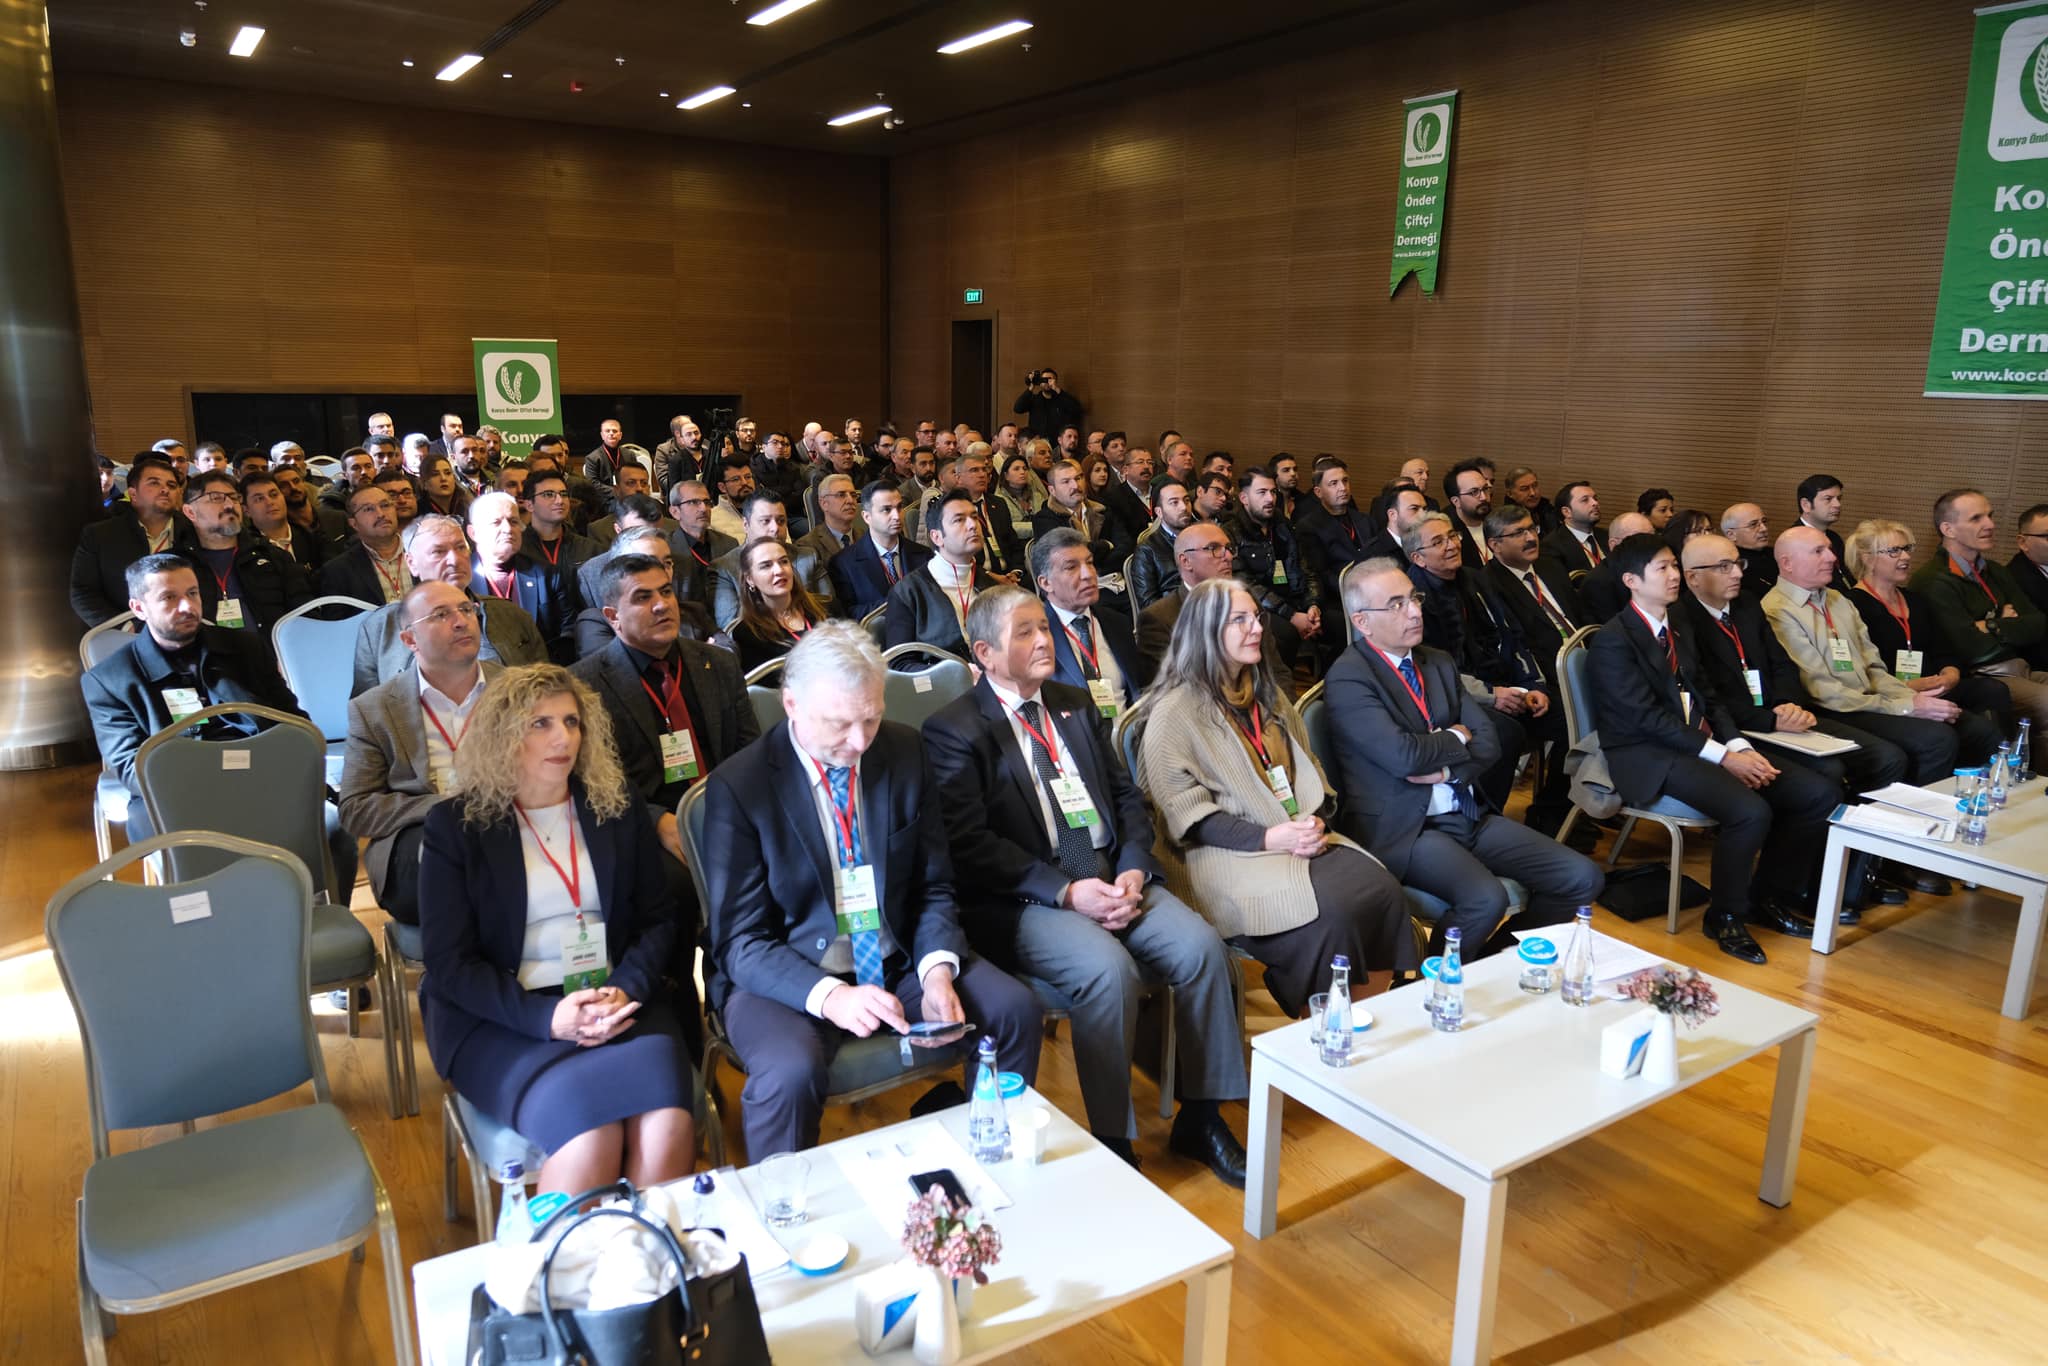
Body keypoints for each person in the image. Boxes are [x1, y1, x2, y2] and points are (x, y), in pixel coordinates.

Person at [922, 588, 1249, 1180]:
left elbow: (1126, 797)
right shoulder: (953, 730)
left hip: (1111, 874)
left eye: (1044, 628)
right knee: (1108, 971)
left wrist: (1130, 864)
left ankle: (1201, 1117)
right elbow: (968, 846)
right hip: (1026, 897)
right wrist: (1067, 893)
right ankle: (1112, 1140)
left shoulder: (1073, 703)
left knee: (1204, 950)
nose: (1045, 640)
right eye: (1025, 632)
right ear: (984, 653)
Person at [699, 623, 1043, 1158]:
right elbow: (741, 942)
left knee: (1013, 1009)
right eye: (839, 724)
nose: (860, 742)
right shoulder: (739, 788)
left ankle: (986, 1158)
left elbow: (933, 884)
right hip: (788, 972)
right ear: (791, 704)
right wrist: (830, 996)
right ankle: (787, 1214)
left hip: (897, 954)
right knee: (789, 1073)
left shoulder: (903, 751)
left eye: (872, 717)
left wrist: (935, 969)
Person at [418, 664, 695, 1194]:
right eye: (540, 723)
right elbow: (450, 966)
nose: (562, 738)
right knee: (591, 1138)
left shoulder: (613, 806)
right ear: (503, 734)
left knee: (667, 1128)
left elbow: (658, 918)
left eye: (571, 722)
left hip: (615, 1001)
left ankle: (644, 1267)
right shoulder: (457, 826)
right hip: (504, 1018)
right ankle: (558, 1272)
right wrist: (549, 1019)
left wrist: (626, 988)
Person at [1138, 575, 1418, 1011]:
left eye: (1257, 617)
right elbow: (1183, 814)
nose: (1256, 628)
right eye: (1240, 620)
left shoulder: (1264, 695)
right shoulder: (1174, 711)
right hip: (1218, 853)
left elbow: (1311, 771)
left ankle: (1361, 1022)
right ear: (1206, 631)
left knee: (1380, 890)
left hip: (1293, 833)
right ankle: (1322, 1031)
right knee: (1333, 914)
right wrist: (1272, 838)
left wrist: (1316, 818)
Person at [1323, 559, 1603, 955]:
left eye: (1414, 598)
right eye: (1396, 604)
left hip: (1465, 808)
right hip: (1407, 827)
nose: (1416, 611)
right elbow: (1403, 757)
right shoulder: (1350, 676)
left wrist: (1445, 773)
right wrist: (1456, 735)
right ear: (1362, 622)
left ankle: (1492, 963)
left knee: (1581, 878)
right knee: (1485, 900)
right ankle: (1429, 989)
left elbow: (1488, 740)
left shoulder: (1436, 661)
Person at [1591, 535, 1837, 964]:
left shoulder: (1678, 626)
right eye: (1661, 569)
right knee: (1750, 811)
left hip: (1698, 742)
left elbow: (1708, 697)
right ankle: (1725, 915)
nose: (1673, 576)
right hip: (1646, 755)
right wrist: (1724, 756)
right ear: (1631, 580)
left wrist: (1738, 743)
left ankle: (1767, 896)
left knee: (1817, 794)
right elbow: (1646, 720)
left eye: (1673, 566)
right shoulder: (1615, 640)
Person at [1677, 533, 1917, 918]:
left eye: (1737, 563)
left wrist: (1788, 703)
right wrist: (1771, 718)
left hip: (1777, 717)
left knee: (1883, 759)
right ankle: (1782, 891)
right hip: (1738, 729)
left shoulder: (1746, 607)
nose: (1736, 573)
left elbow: (1782, 665)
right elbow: (1710, 699)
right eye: (1723, 567)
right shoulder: (1683, 621)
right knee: (1824, 779)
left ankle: (1842, 878)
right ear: (1692, 578)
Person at [1763, 523, 2005, 777]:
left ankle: (1977, 801)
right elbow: (1824, 692)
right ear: (1788, 563)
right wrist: (1904, 706)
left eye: (1830, 550)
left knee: (1979, 731)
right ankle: (1921, 812)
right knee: (1937, 738)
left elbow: (1874, 668)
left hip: (1869, 699)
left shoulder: (1838, 600)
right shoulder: (1777, 610)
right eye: (1818, 551)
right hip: (1836, 709)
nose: (1833, 557)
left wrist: (1914, 700)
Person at [338, 580, 502, 924]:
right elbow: (355, 809)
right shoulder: (375, 709)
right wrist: (443, 807)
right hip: (422, 839)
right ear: (410, 640)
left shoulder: (518, 690)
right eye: (441, 615)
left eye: (466, 610)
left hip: (508, 825)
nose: (461, 621)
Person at [1405, 511, 1561, 827]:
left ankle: (1551, 815)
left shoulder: (1475, 580)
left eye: (1452, 536)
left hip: (1500, 684)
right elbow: (1429, 669)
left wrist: (1534, 684)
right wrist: (1491, 695)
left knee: (1567, 717)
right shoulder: (1413, 597)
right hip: (1449, 698)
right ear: (1418, 559)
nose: (1451, 545)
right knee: (1504, 732)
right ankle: (1483, 820)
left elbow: (1511, 635)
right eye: (1438, 542)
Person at [1847, 517, 2015, 742]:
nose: (1906, 557)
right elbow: (1859, 669)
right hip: (1893, 693)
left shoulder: (1915, 600)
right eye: (1894, 551)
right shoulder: (1851, 605)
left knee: (1993, 690)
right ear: (1868, 559)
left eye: (1907, 549)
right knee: (1972, 732)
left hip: (1935, 685)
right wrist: (1907, 687)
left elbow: (1943, 647)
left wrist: (1950, 674)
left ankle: (2007, 762)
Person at [352, 515, 549, 695]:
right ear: (411, 563)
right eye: (438, 551)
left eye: (460, 548)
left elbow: (545, 692)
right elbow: (367, 713)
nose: (454, 560)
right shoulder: (380, 629)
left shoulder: (512, 616)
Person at [1908, 488, 2048, 739]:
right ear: (1948, 529)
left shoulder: (1995, 570)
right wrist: (2004, 621)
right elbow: (1971, 648)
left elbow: (2038, 625)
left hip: (2022, 668)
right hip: (1985, 675)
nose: (1990, 524)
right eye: (1976, 519)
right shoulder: (1933, 579)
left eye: (1990, 516)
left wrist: (1990, 625)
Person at [178, 468, 311, 634]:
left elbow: (307, 616)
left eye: (234, 498)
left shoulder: (273, 556)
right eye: (216, 498)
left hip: (270, 655)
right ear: (190, 512)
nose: (229, 505)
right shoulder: (175, 565)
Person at [71, 453, 193, 626]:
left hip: (185, 628)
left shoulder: (192, 533)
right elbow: (83, 592)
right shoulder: (100, 535)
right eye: (154, 483)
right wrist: (124, 628)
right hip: (125, 633)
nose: (165, 489)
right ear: (133, 495)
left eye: (171, 485)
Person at [1034, 528, 1145, 712]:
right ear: (1046, 583)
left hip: (1131, 734)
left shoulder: (1117, 623)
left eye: (1090, 563)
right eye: (1071, 567)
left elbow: (1139, 690)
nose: (1088, 574)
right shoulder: (1036, 636)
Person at [1138, 520, 1259, 685]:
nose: (1229, 556)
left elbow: (1275, 671)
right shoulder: (1159, 619)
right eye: (1214, 548)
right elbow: (1168, 688)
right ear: (1186, 561)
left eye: (1229, 548)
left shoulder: (1246, 603)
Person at [885, 489, 993, 659]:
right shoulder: (908, 592)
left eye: (974, 516)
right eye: (959, 520)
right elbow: (899, 665)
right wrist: (951, 674)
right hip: (943, 682)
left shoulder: (991, 586)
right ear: (937, 537)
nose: (973, 525)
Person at [1231, 465, 1321, 669]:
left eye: (1272, 492)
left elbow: (1305, 568)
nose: (1270, 499)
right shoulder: (1232, 531)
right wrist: (1291, 615)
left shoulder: (1283, 525)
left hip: (1293, 599)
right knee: (1286, 634)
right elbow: (1245, 584)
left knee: (1335, 622)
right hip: (1260, 607)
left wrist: (1312, 605)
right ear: (1244, 498)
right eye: (1261, 493)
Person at [470, 490, 570, 661]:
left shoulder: (547, 575)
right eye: (496, 522)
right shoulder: (460, 582)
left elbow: (567, 632)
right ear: (474, 533)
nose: (508, 529)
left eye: (513, 521)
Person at [832, 480, 930, 622]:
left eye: (899, 507)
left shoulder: (924, 555)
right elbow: (848, 614)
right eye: (886, 510)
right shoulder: (844, 563)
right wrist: (897, 603)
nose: (897, 516)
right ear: (867, 517)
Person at [731, 537, 831, 670]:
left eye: (784, 561)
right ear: (750, 579)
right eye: (766, 566)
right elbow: (769, 686)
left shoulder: (826, 607)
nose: (779, 570)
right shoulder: (747, 634)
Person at [1294, 459, 1376, 611]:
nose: (1343, 488)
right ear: (1318, 492)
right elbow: (1321, 574)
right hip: (1338, 598)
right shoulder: (1309, 527)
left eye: (1345, 481)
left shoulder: (1365, 520)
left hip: (1374, 590)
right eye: (1334, 483)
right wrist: (1358, 593)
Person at [710, 491, 792, 630]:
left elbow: (826, 610)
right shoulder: (725, 568)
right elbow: (731, 627)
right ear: (746, 525)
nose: (775, 529)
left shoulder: (808, 556)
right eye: (765, 521)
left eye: (781, 521)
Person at [320, 484, 413, 606]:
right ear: (353, 524)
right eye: (369, 509)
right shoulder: (338, 571)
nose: (380, 514)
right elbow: (339, 622)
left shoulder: (424, 553)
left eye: (385, 505)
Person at [1032, 458, 1123, 571]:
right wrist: (1106, 545)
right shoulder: (1044, 519)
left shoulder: (1102, 509)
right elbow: (1069, 556)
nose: (1075, 486)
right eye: (1066, 481)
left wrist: (1099, 566)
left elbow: (1125, 546)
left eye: (1078, 478)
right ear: (1052, 490)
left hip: (1110, 575)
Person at [792, 472, 864, 613]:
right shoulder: (807, 546)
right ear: (824, 503)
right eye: (841, 495)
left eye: (853, 495)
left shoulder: (865, 535)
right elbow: (815, 601)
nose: (850, 500)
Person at [1131, 478, 1197, 611]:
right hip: (1176, 619)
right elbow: (1149, 605)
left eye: (1186, 500)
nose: (1184, 507)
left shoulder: (1201, 538)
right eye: (1174, 502)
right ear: (1159, 512)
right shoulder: (1147, 550)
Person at [1577, 511, 1654, 621]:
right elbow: (1613, 631)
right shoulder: (1598, 582)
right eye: (1638, 539)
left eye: (1652, 537)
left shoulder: (1653, 571)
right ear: (1614, 545)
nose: (1650, 546)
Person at [1795, 473, 1854, 594]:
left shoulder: (1834, 538)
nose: (1837, 505)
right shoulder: (1794, 541)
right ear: (1806, 505)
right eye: (1828, 499)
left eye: (1839, 499)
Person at [1543, 480, 1606, 576]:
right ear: (1567, 512)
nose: (1595, 503)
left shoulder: (1606, 535)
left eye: (1595, 498)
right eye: (1585, 500)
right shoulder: (1552, 546)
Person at [1443, 459, 1496, 567]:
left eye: (1485, 489)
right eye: (1474, 492)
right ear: (1456, 502)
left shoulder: (1497, 522)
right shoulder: (1446, 534)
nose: (1484, 497)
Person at [1722, 503, 1778, 600]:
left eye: (1764, 521)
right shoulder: (1731, 566)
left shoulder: (1777, 553)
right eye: (1753, 524)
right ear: (1731, 535)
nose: (1764, 529)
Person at [1013, 366, 1083, 439]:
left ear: (1055, 381)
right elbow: (1018, 408)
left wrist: (1057, 389)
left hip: (1058, 442)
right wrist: (1031, 387)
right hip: (1038, 442)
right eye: (1043, 380)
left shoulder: (1062, 398)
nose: (1046, 382)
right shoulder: (1034, 399)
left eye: (1049, 379)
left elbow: (1076, 410)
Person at [653, 415, 705, 493]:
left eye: (696, 432)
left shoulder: (706, 446)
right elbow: (663, 479)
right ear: (678, 433)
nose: (694, 437)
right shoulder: (664, 450)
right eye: (688, 433)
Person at [1503, 465, 1559, 537]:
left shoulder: (1549, 510)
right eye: (1524, 489)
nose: (1533, 493)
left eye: (1535, 486)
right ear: (1510, 494)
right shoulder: (1505, 521)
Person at [581, 418, 630, 489]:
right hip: (605, 498)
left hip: (629, 495)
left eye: (615, 431)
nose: (611, 433)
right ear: (602, 435)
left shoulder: (630, 455)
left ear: (620, 435)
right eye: (607, 431)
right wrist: (617, 492)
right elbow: (592, 484)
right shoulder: (592, 458)